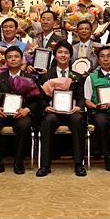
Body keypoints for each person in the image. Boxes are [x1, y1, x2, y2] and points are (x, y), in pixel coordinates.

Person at [0, 46, 40, 176]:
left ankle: (18, 163)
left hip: (20, 114)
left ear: (22, 60)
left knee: (25, 125)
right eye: (10, 57)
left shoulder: (29, 78)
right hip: (1, 113)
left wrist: (27, 110)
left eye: (16, 57)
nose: (13, 59)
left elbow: (36, 100)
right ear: (5, 60)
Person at [36, 41, 87, 177]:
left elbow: (81, 97)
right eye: (60, 52)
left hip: (71, 112)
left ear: (70, 56)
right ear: (55, 56)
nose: (63, 55)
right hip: (53, 112)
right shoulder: (47, 76)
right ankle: (45, 165)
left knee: (78, 120)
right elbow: (41, 98)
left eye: (66, 53)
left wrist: (78, 107)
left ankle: (79, 164)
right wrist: (46, 107)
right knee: (48, 121)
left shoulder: (77, 76)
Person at [25, 10, 64, 75]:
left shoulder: (60, 41)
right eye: (43, 19)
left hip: (52, 76)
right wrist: (29, 66)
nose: (45, 22)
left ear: (55, 23)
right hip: (35, 76)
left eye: (49, 19)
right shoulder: (35, 39)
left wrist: (50, 72)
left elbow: (63, 62)